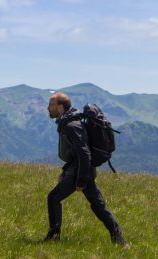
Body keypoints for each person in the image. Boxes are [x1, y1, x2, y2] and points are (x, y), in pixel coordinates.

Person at [43, 92, 127, 246]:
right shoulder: (68, 122)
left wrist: (80, 180)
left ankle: (54, 238)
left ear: (60, 107)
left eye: (51, 105)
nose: (48, 108)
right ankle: (119, 240)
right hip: (81, 169)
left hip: (81, 171)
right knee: (98, 206)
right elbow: (77, 154)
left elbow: (84, 153)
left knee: (54, 198)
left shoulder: (71, 125)